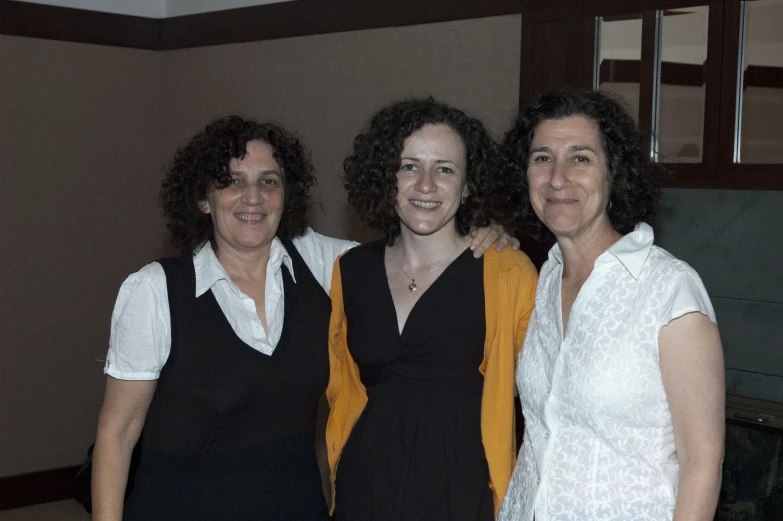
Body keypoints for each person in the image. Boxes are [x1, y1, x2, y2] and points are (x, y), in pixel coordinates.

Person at [92, 114, 515, 521]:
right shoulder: (156, 290)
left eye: (269, 182)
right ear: (203, 198)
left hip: (297, 508)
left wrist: (485, 233)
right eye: (232, 181)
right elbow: (118, 435)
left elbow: (415, 260)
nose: (253, 197)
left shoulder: (322, 264)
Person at [497, 89, 725, 521]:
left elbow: (703, 465)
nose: (558, 178)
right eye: (542, 158)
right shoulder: (546, 277)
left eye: (580, 158)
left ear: (613, 173)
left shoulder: (668, 288)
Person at [326, 98, 538, 521]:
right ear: (385, 177)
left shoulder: (507, 270)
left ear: (468, 184)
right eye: (409, 166)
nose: (425, 185)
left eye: (445, 169)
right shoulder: (350, 270)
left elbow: (542, 395)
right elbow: (340, 388)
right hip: (364, 487)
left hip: (463, 490)